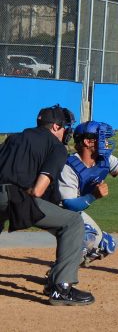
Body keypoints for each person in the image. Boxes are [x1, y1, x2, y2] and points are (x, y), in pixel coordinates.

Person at [0, 105, 95, 306]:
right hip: (15, 197)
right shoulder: (56, 146)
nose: (66, 131)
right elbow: (38, 191)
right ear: (54, 127)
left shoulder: (14, 138)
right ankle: (61, 288)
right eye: (64, 127)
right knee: (71, 223)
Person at [58, 121, 118, 267]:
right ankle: (59, 279)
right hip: (55, 210)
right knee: (86, 236)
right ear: (88, 142)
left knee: (105, 245)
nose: (106, 142)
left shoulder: (104, 160)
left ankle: (59, 272)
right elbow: (68, 204)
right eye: (102, 138)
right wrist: (93, 196)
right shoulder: (69, 167)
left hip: (74, 211)